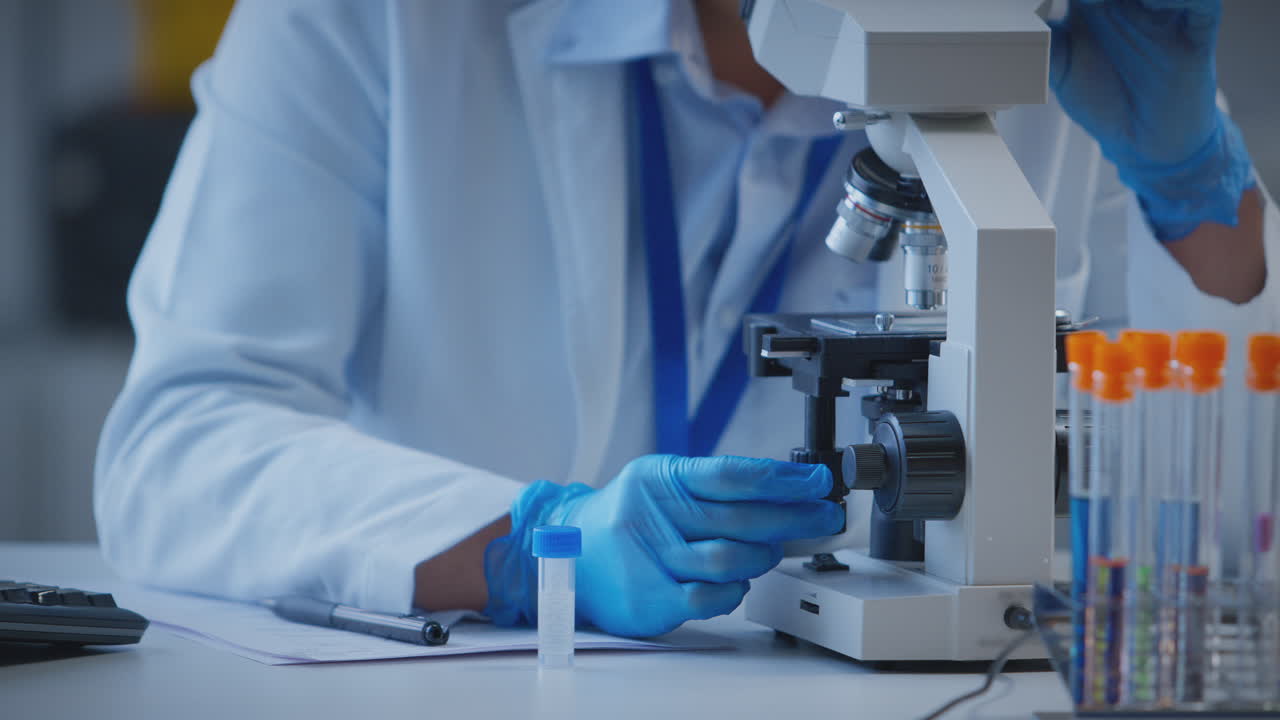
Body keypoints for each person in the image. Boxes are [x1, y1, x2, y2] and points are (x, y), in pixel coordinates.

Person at [95, 0, 1276, 638]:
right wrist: (529, 545)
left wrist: (1187, 185)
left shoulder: (1065, 45)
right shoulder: (372, 20)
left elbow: (1231, 525)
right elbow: (178, 446)